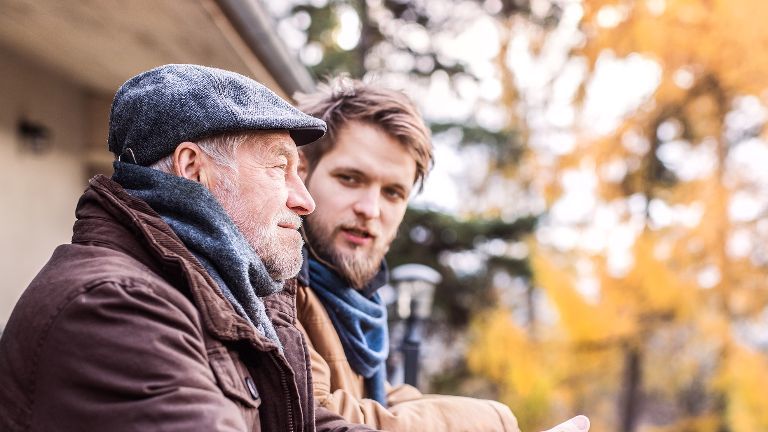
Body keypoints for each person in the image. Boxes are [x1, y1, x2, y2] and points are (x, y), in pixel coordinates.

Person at [0, 64, 374, 432]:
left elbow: (295, 420)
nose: (305, 200)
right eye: (279, 166)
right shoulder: (115, 306)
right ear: (193, 168)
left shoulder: (220, 295)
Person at [293, 78, 590, 432]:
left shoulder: (356, 308)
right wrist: (498, 421)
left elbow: (385, 401)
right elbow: (320, 416)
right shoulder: (277, 281)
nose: (370, 209)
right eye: (350, 178)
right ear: (301, 171)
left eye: (392, 193)